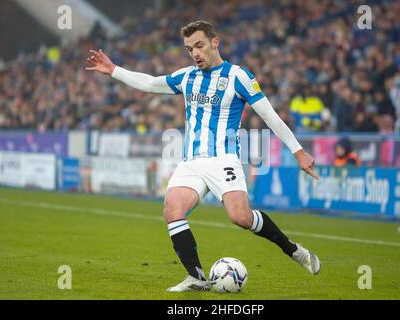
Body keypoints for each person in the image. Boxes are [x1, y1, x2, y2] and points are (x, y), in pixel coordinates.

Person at [86, 20, 320, 292]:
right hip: (191, 162)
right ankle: (196, 277)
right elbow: (150, 83)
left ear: (214, 42)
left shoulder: (238, 76)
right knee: (172, 208)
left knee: (241, 218)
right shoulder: (187, 77)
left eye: (199, 45)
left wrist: (298, 151)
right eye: (189, 49)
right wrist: (114, 70)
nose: (195, 53)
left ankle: (293, 250)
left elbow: (270, 116)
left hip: (224, 159)